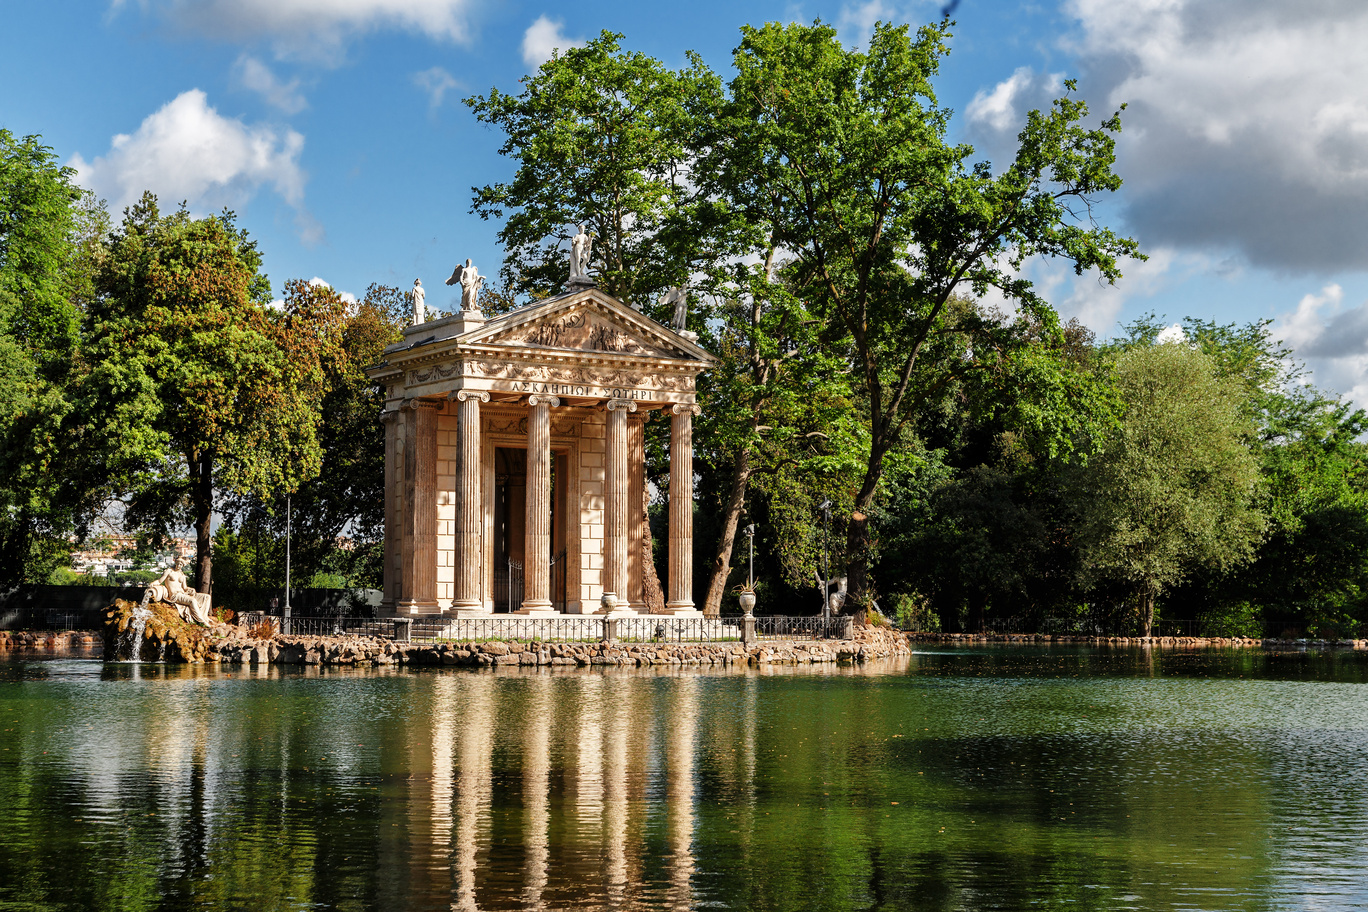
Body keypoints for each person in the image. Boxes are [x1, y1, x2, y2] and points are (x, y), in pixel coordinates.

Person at [148, 557, 213, 626]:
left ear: (183, 566)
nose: (179, 566)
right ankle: (201, 621)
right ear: (176, 563)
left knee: (206, 597)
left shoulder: (182, 575)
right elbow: (159, 581)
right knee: (192, 600)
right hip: (175, 595)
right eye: (178, 564)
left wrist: (191, 589)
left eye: (181, 565)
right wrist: (152, 584)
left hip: (183, 593)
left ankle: (204, 616)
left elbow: (185, 587)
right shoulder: (169, 571)